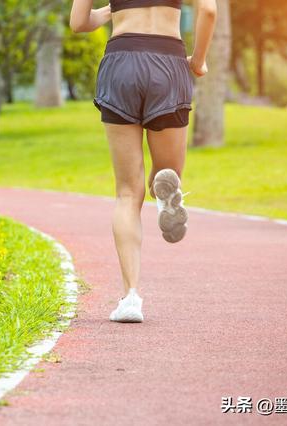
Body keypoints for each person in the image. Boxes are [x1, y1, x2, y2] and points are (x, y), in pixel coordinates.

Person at [69, 0, 217, 322]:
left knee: (126, 192)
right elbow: (208, 10)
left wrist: (112, 10)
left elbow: (79, 22)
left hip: (121, 63)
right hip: (168, 62)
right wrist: (199, 62)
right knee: (167, 173)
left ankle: (130, 297)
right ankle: (164, 190)